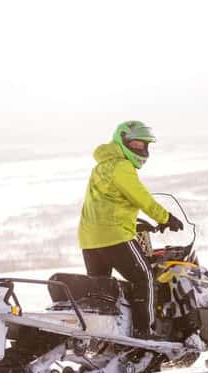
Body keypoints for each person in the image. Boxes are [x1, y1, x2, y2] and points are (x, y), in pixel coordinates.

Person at [78, 120, 183, 340]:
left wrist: (135, 222)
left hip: (89, 240)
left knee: (101, 294)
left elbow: (105, 203)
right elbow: (140, 196)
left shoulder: (100, 167)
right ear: (121, 141)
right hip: (115, 236)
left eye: (144, 145)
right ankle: (143, 334)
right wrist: (165, 218)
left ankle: (102, 339)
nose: (141, 150)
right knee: (145, 279)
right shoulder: (121, 166)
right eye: (135, 144)